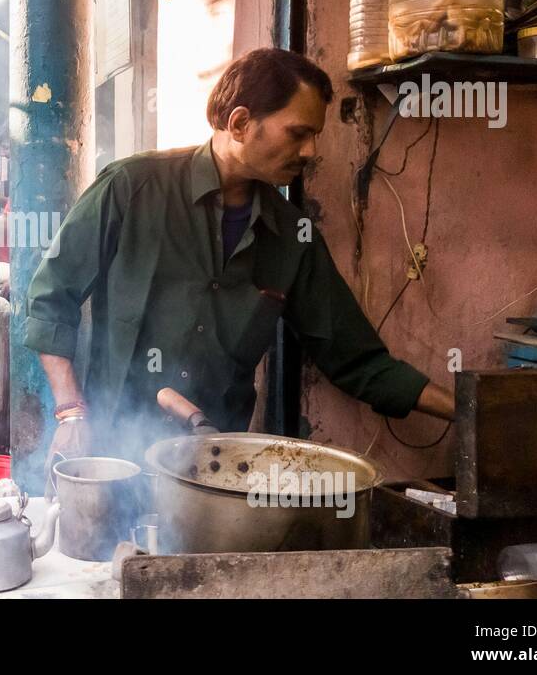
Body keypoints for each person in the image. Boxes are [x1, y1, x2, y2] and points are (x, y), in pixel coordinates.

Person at [25, 49, 456, 468]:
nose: (310, 152)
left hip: (212, 465)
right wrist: (71, 414)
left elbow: (355, 359)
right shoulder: (132, 187)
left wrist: (467, 408)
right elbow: (50, 297)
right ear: (240, 122)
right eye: (298, 133)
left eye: (314, 137)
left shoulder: (292, 236)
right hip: (113, 453)